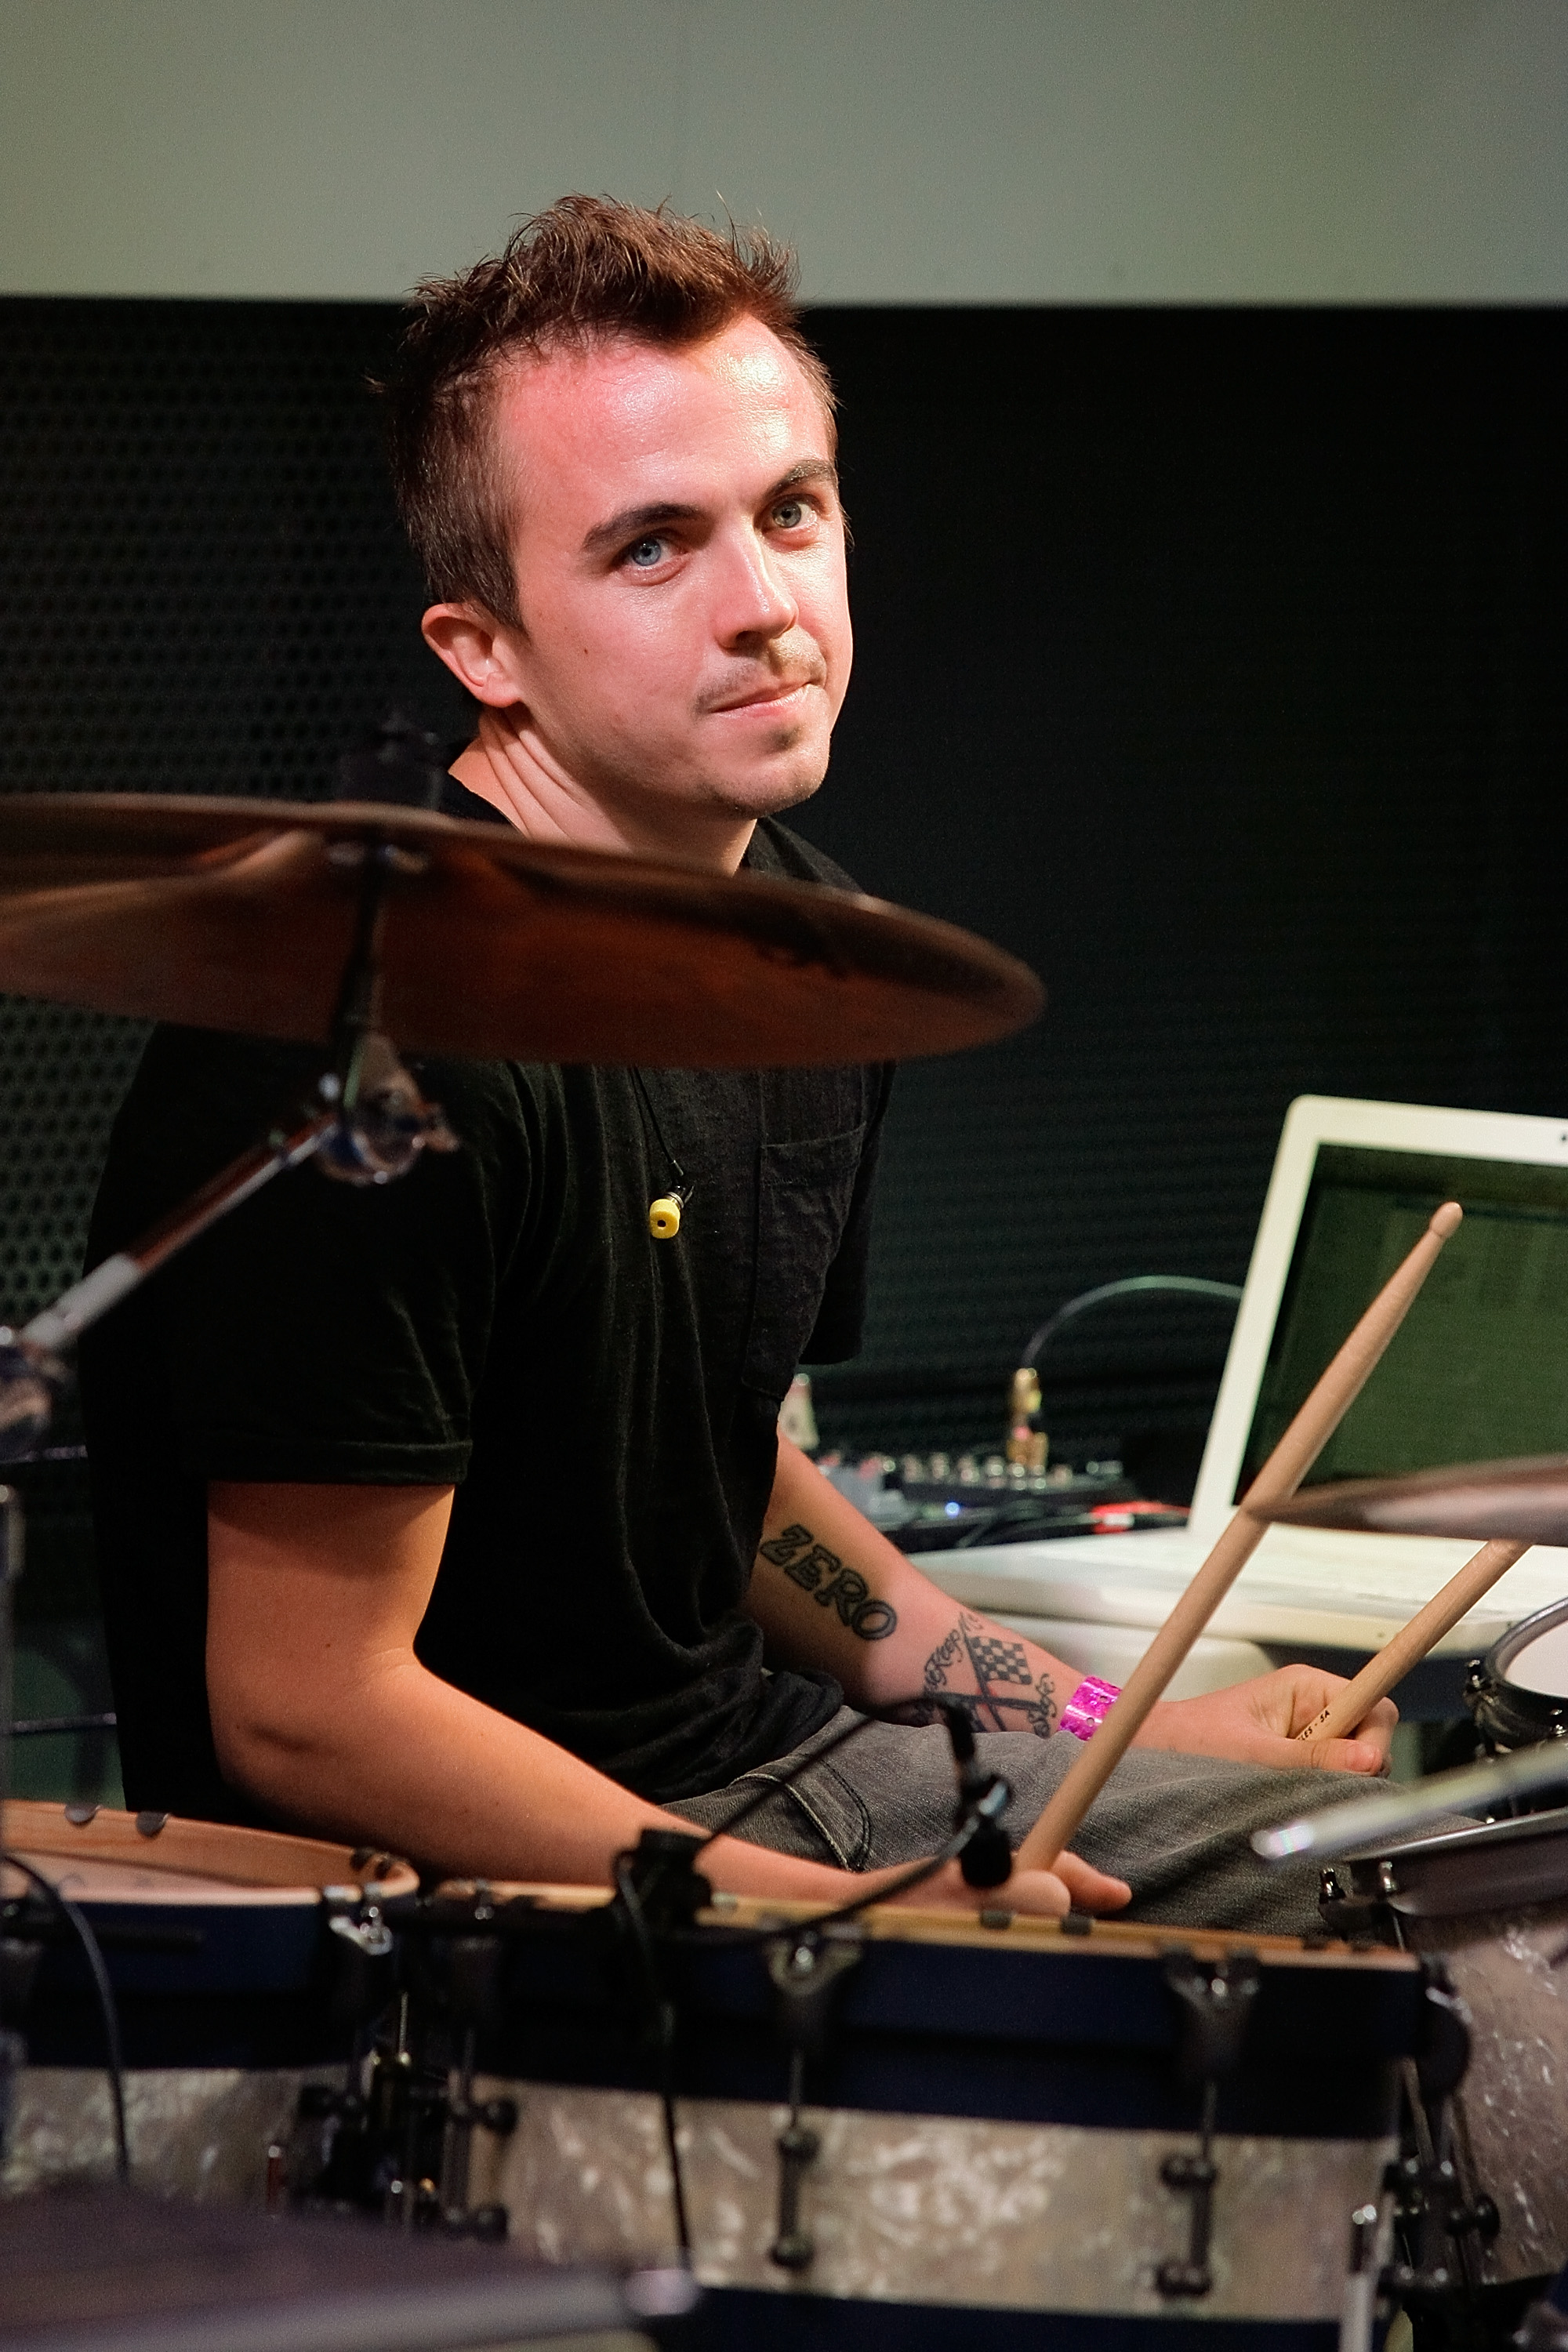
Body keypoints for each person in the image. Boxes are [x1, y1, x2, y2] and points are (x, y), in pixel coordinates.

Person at [79, 198, 1394, 1936]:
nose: (766, 606)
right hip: (458, 1906)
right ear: (483, 651)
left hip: (769, 1775)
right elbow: (304, 1706)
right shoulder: (381, 1035)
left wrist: (1102, 1723)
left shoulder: (809, 951)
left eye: (791, 512)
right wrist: (814, 1919)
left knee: (1403, 1860)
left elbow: (723, 1473)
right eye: (650, 548)